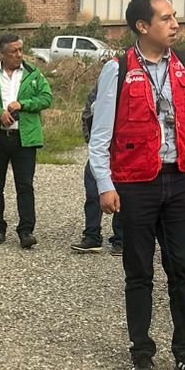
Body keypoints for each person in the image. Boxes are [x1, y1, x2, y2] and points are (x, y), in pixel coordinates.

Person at [88, 0, 185, 370]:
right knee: (139, 271)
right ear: (143, 26)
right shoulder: (118, 69)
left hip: (178, 181)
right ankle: (141, 350)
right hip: (135, 185)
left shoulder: (184, 66)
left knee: (182, 268)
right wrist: (105, 185)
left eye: (174, 17)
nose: (175, 25)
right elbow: (100, 136)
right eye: (165, 18)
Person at [0, 33, 53, 249]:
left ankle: (26, 231)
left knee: (25, 185)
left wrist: (23, 103)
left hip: (24, 138)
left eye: (21, 50)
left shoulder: (33, 73)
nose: (19, 54)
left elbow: (47, 98)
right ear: (2, 54)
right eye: (14, 51)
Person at [74, 84, 123, 253]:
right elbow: (87, 114)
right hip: (100, 150)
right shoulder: (100, 87)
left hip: (123, 151)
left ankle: (121, 238)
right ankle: (92, 235)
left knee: (123, 193)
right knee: (93, 191)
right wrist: (90, 141)